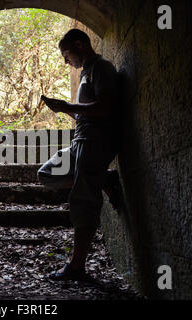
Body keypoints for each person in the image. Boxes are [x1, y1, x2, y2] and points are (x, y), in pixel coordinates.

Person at [38, 29, 122, 281]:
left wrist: (68, 105)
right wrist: (64, 110)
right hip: (80, 142)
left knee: (83, 200)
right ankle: (104, 179)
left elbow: (106, 107)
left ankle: (76, 267)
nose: (66, 61)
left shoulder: (102, 68)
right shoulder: (86, 73)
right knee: (46, 174)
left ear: (79, 45)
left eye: (66, 54)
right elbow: (84, 112)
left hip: (94, 143)